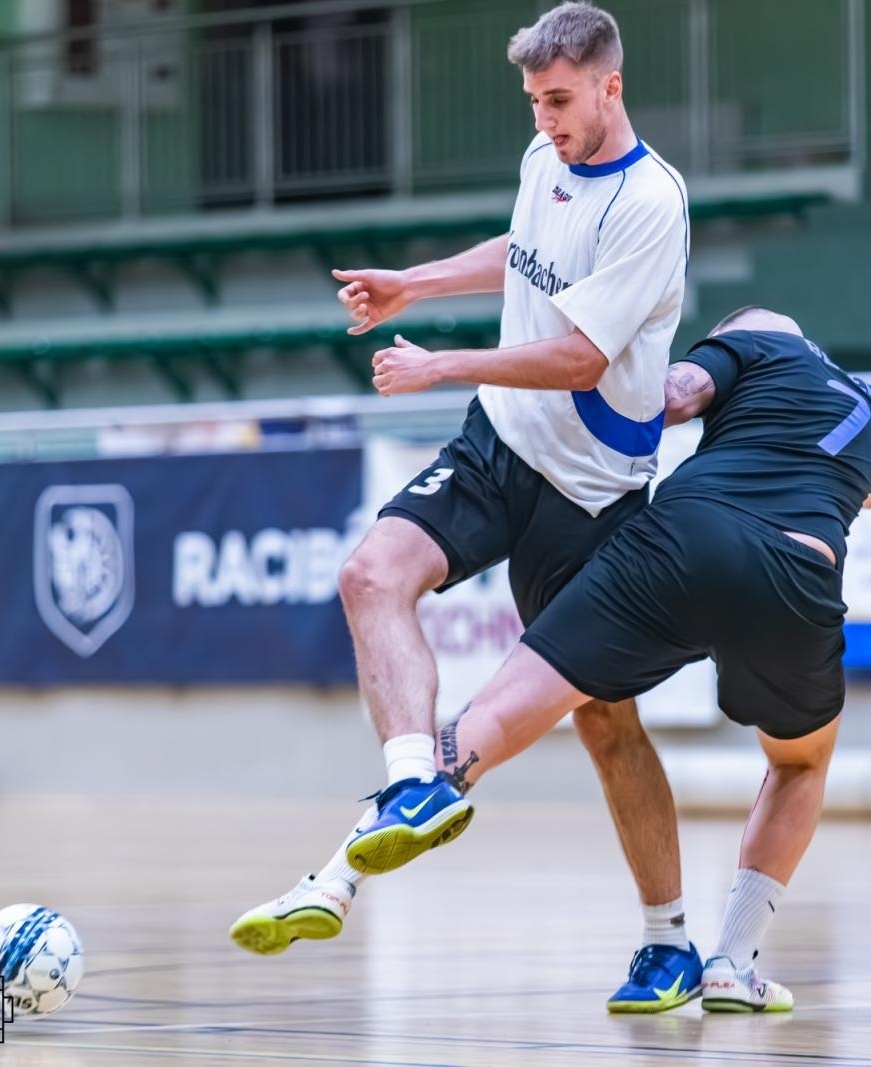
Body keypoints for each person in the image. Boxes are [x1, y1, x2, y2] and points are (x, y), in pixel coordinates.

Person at [231, 1, 705, 1013]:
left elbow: (580, 354)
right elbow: (522, 247)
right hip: (500, 447)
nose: (545, 120)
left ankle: (670, 942)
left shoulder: (653, 204)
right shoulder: (548, 157)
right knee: (371, 573)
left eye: (562, 101)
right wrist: (416, 282)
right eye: (534, 102)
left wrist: (442, 361)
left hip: (591, 498)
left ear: (611, 87)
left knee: (608, 723)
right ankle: (411, 781)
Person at [394, 307, 871, 1011]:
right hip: (798, 573)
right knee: (798, 762)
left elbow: (678, 392)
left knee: (531, 688)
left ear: (743, 331)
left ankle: (422, 786)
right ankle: (732, 961)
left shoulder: (746, 347)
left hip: (685, 538)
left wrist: (585, 392)